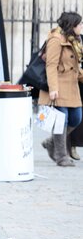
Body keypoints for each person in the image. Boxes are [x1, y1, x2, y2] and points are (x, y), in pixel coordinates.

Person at [38, 12, 83, 167]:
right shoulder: (56, 40)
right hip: (58, 84)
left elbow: (76, 66)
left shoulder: (76, 40)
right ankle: (61, 156)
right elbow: (50, 65)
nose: (82, 27)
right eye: (80, 24)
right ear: (72, 25)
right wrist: (53, 88)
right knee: (61, 120)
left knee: (76, 117)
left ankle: (52, 143)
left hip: (71, 85)